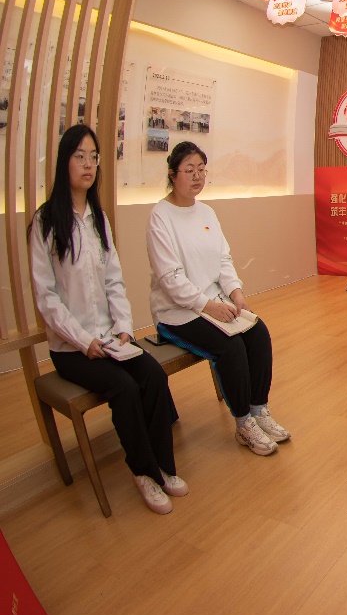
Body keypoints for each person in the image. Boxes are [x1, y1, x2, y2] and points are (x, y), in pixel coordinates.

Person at [30, 126, 185, 514]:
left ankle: (164, 467)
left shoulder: (98, 218)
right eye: (79, 156)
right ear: (64, 162)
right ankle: (143, 472)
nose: (88, 164)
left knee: (152, 375)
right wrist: (85, 341)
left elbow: (114, 281)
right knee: (124, 387)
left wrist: (124, 330)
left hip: (111, 339)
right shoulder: (46, 221)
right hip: (72, 348)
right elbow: (47, 298)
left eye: (94, 157)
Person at [148, 141, 290, 457]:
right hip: (177, 312)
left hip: (214, 301)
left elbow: (223, 259)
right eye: (189, 170)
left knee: (258, 333)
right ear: (172, 174)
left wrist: (236, 293)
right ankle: (243, 423)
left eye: (201, 169)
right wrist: (209, 307)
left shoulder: (206, 212)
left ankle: (258, 409)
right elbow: (170, 279)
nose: (197, 176)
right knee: (230, 347)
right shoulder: (161, 216)